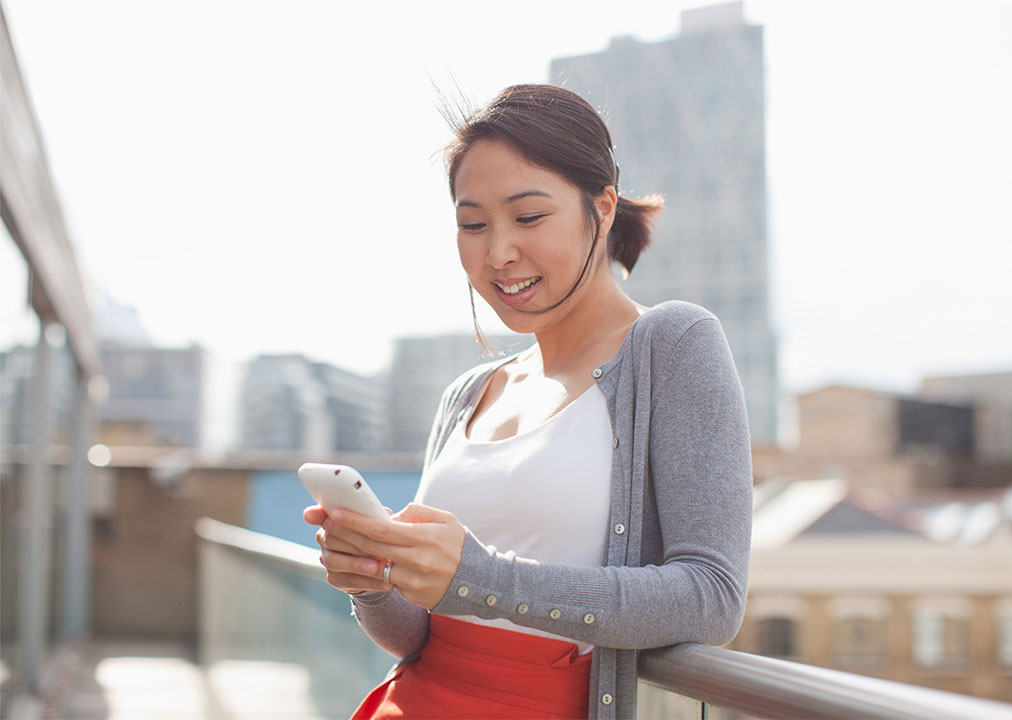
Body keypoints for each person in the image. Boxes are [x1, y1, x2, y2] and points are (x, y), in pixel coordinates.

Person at [302, 83, 753, 720]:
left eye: (529, 217)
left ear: (601, 206)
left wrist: (481, 580)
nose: (498, 252)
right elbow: (418, 637)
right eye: (472, 224)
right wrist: (374, 580)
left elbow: (711, 598)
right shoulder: (468, 393)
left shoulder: (672, 344)